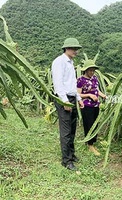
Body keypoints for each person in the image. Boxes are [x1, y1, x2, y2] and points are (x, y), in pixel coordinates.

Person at [51, 38, 84, 171]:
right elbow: (58, 83)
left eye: (76, 49)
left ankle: (71, 153)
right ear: (66, 48)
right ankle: (66, 161)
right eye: (74, 49)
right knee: (66, 130)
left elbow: (72, 83)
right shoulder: (59, 62)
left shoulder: (70, 63)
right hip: (64, 99)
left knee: (72, 128)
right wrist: (64, 101)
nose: (76, 51)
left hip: (72, 97)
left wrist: (78, 98)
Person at [77, 59, 107, 156]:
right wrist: (89, 95)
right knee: (89, 124)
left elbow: (97, 91)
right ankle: (90, 145)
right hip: (86, 106)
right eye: (90, 70)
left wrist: (104, 96)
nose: (92, 72)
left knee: (95, 124)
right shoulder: (80, 80)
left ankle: (92, 141)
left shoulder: (94, 78)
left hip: (96, 105)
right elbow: (78, 94)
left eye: (93, 70)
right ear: (86, 70)